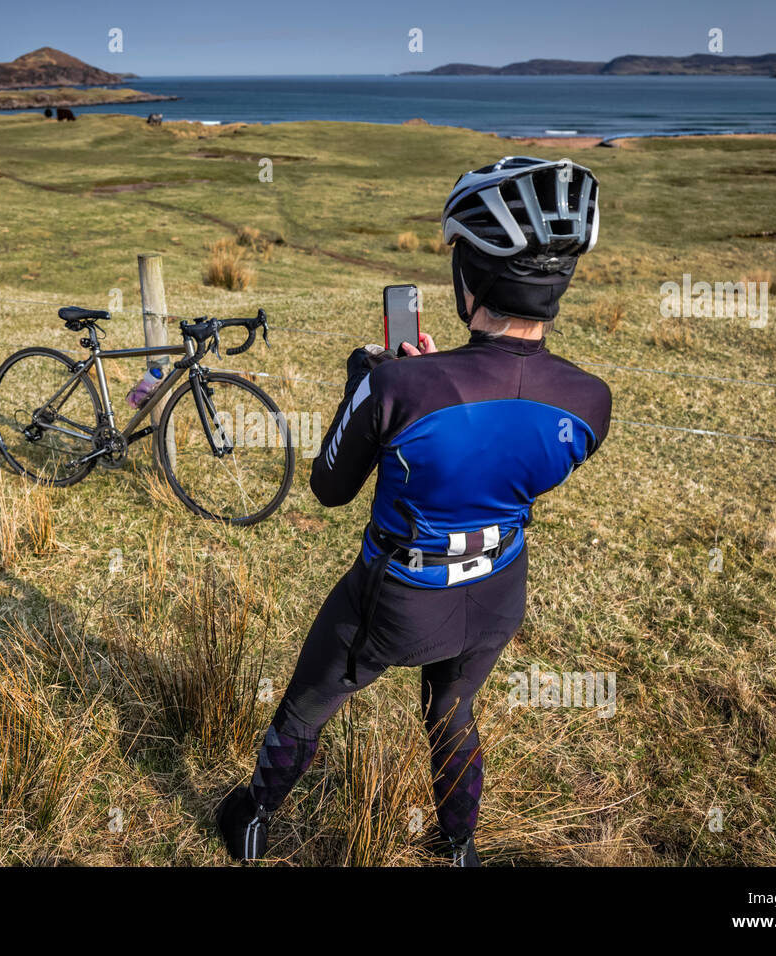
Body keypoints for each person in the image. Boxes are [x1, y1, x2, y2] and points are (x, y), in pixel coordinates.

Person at [217, 156, 613, 866]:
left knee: (309, 705)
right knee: (453, 714)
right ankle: (459, 849)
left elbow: (330, 487)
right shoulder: (590, 401)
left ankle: (250, 820)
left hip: (396, 597)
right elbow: (493, 435)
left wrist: (367, 386)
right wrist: (426, 383)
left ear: (472, 275)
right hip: (497, 591)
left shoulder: (401, 386)